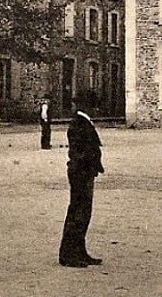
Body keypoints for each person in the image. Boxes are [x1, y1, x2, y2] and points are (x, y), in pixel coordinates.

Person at [58, 90, 105, 268]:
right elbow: (80, 152)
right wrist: (90, 165)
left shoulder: (83, 122)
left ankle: (80, 251)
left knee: (83, 213)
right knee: (78, 213)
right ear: (87, 106)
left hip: (84, 173)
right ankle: (68, 255)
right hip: (80, 174)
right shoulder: (79, 124)